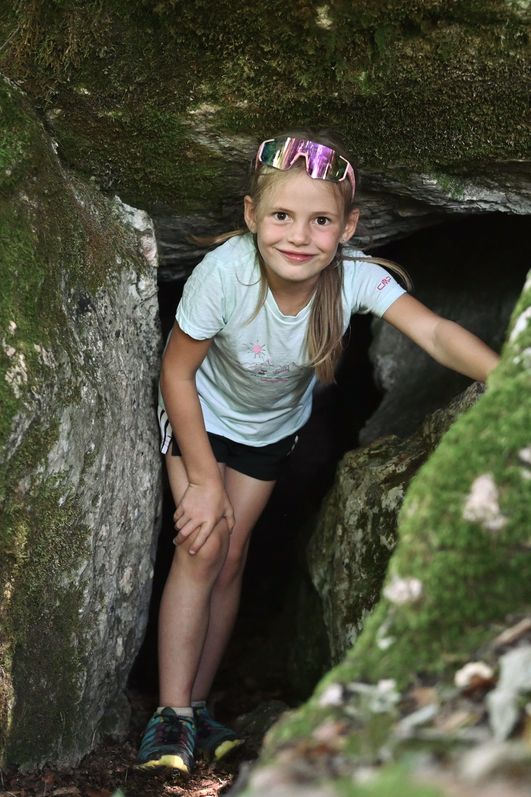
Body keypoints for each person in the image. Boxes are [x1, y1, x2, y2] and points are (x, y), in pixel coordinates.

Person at [137, 132, 499, 773]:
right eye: (282, 215)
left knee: (232, 555)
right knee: (203, 545)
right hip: (200, 415)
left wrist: (508, 377)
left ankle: (199, 704)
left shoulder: (352, 278)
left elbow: (436, 332)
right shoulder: (224, 273)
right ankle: (171, 717)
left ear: (347, 227)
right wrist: (204, 481)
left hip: (270, 430)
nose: (299, 236)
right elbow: (176, 373)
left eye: (320, 221)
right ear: (252, 215)